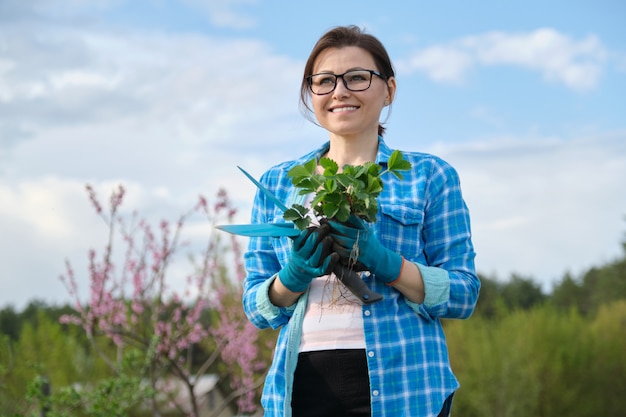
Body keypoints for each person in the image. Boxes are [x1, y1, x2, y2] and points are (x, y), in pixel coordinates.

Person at [242, 25, 480, 417]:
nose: (339, 91)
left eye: (356, 77)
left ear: (389, 90)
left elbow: (463, 293)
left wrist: (386, 262)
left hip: (406, 386)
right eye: (324, 81)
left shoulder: (428, 176)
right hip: (301, 389)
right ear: (311, 93)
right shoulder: (278, 182)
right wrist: (294, 276)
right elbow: (256, 305)